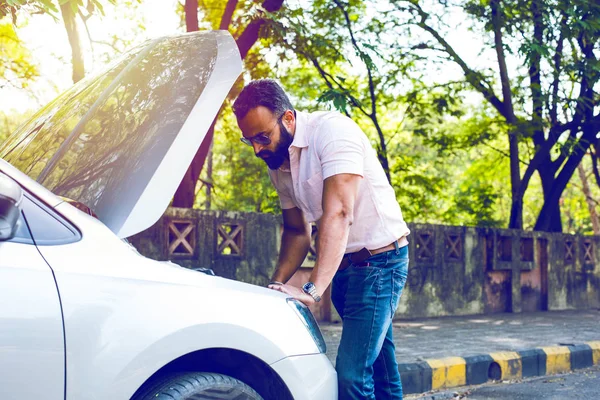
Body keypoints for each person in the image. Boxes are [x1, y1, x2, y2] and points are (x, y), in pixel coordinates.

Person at [233, 79, 410, 400]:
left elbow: (340, 212)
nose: (258, 149)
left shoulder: (333, 132)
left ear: (288, 118)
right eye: (250, 141)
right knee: (381, 369)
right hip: (345, 267)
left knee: (352, 375)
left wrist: (312, 289)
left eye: (263, 137)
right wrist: (275, 285)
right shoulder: (279, 162)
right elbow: (297, 231)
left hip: (381, 263)